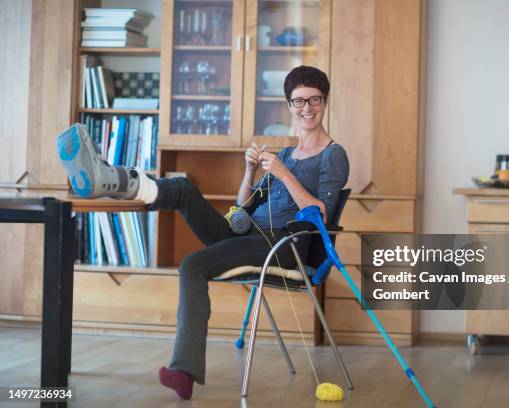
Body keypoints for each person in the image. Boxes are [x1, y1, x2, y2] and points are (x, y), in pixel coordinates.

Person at [56, 65, 349, 399]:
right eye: (299, 101)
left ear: (325, 102)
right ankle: (116, 182)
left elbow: (321, 214)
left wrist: (284, 175)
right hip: (248, 233)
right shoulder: (285, 154)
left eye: (314, 100)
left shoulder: (333, 154)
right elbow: (243, 207)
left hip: (284, 244)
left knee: (193, 264)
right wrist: (250, 172)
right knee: (182, 187)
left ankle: (184, 371)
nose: (307, 109)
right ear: (289, 105)